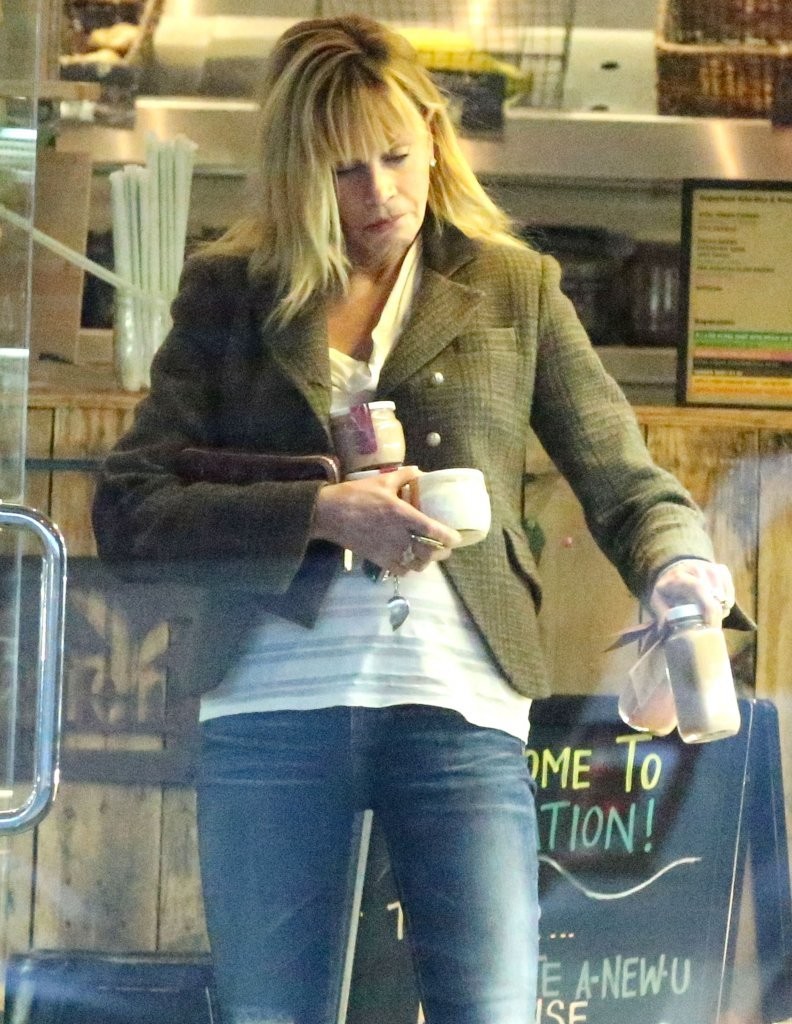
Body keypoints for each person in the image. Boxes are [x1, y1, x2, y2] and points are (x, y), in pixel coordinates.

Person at [91, 14, 736, 1024]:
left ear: (434, 136)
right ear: (298, 172)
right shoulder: (232, 292)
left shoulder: (511, 286)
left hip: (458, 697)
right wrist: (319, 512)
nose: (380, 193)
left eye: (396, 156)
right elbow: (129, 511)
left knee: (490, 1007)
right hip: (268, 702)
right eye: (344, 170)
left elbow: (625, 476)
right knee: (268, 1014)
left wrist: (678, 564)